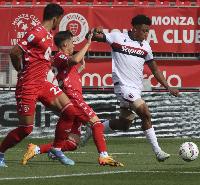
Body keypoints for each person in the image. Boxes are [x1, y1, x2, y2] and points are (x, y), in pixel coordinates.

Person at [84, 14, 180, 162]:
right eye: (144, 30)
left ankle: (94, 128)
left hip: (135, 89)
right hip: (122, 87)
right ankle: (158, 151)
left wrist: (168, 86)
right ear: (135, 29)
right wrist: (94, 31)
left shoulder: (146, 47)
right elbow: (89, 37)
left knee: (124, 124)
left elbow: (155, 70)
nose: (147, 34)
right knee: (145, 113)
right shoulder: (117, 37)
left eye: (148, 31)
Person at [21, 30, 123, 167]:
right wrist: (88, 44)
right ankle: (103, 156)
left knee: (72, 143)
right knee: (97, 124)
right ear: (65, 44)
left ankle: (36, 149)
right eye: (72, 43)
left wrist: (79, 69)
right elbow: (74, 59)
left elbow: (68, 72)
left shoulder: (61, 59)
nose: (74, 45)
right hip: (72, 98)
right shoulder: (59, 56)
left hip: (72, 97)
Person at [0, 3, 75, 167]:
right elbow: (15, 52)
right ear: (55, 18)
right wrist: (20, 69)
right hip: (28, 85)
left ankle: (56, 148)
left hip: (43, 83)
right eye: (59, 19)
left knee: (70, 111)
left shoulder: (47, 35)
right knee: (25, 129)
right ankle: (0, 153)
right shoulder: (36, 32)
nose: (59, 23)